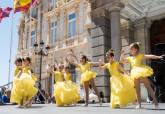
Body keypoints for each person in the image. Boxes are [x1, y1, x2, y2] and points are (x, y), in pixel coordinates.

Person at [120, 42, 164, 109]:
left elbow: (150, 56)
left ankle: (156, 103)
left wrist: (158, 57)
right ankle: (139, 104)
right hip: (134, 73)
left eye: (131, 49)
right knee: (137, 89)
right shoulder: (130, 58)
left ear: (135, 49)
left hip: (141, 71)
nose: (129, 50)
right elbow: (121, 61)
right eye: (129, 49)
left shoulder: (140, 55)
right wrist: (122, 54)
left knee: (148, 87)